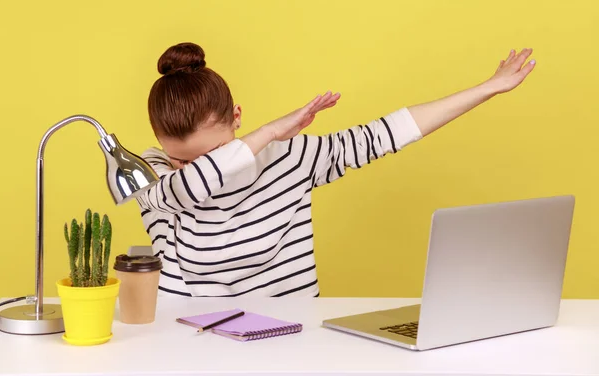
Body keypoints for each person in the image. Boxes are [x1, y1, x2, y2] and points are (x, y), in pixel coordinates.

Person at [137, 42, 535, 297]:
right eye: (182, 159)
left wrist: (487, 88)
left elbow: (388, 133)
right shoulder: (151, 173)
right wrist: (270, 131)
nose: (202, 167)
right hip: (186, 341)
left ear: (236, 117)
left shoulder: (290, 158)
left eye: (216, 151)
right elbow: (191, 187)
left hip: (291, 339)